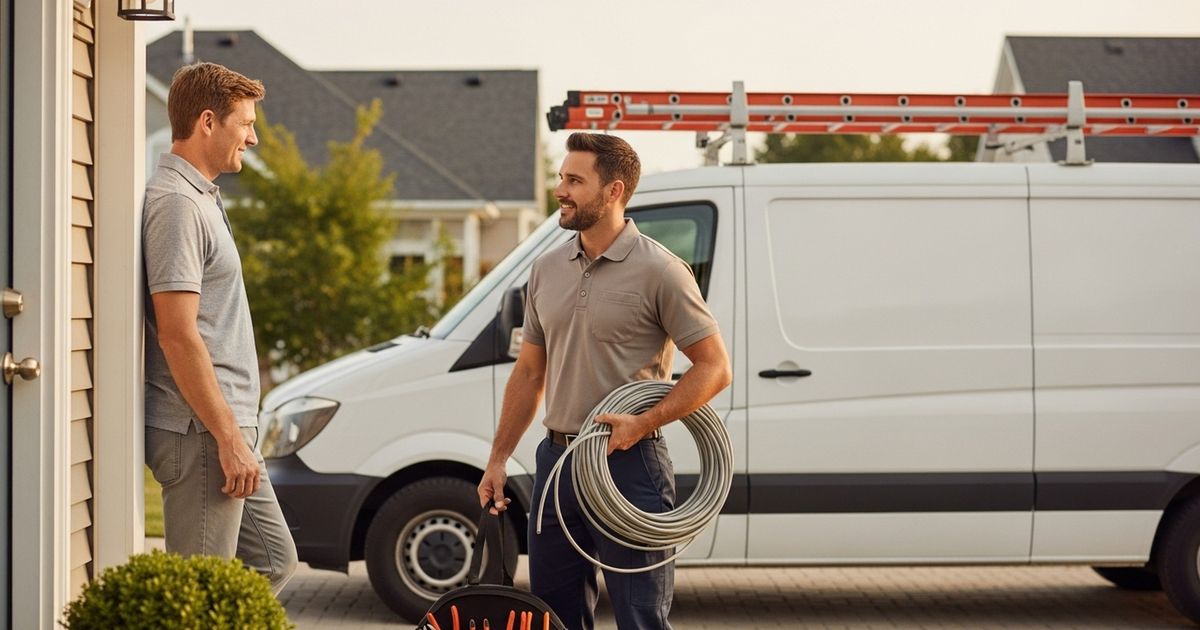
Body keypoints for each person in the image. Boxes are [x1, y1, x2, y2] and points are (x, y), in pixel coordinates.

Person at [478, 133, 732, 629]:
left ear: (613, 191)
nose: (561, 189)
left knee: (640, 618)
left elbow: (715, 366)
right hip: (557, 462)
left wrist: (643, 422)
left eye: (574, 180)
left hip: (629, 463)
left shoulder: (661, 271)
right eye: (561, 178)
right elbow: (529, 372)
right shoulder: (546, 269)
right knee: (555, 616)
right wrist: (497, 459)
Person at [143, 62, 297, 593]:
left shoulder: (201, 197)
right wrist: (228, 436)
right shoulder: (177, 205)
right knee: (200, 594)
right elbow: (177, 333)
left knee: (273, 561)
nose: (252, 138)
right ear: (208, 122)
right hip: (202, 432)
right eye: (245, 124)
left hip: (223, 427)